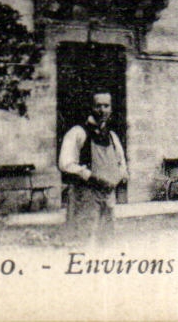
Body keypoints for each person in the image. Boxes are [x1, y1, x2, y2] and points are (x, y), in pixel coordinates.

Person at [57, 92, 126, 243]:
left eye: (106, 106)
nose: (102, 110)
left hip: (107, 196)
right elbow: (66, 163)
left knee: (106, 240)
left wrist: (116, 179)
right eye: (98, 106)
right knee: (84, 240)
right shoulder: (78, 132)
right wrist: (91, 177)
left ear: (111, 109)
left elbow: (121, 163)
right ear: (91, 108)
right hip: (85, 197)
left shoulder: (112, 136)